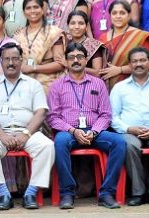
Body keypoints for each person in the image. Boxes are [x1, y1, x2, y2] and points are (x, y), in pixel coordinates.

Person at [47, 42, 124, 209]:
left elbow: (105, 115)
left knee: (119, 142)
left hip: (94, 131)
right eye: (72, 57)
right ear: (66, 62)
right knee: (59, 143)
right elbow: (53, 118)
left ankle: (106, 193)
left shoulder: (98, 84)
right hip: (69, 131)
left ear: (85, 60)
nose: (76, 60)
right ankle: (67, 193)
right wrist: (73, 131)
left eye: (80, 57)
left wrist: (94, 132)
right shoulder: (56, 86)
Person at [0, 42, 54, 210]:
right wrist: (2, 136)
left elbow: (41, 112)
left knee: (47, 146)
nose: (10, 63)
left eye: (14, 59)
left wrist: (26, 133)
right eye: (6, 59)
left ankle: (31, 193)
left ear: (21, 61)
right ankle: (4, 193)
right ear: (1, 61)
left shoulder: (33, 84)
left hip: (27, 132)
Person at [110, 47, 149, 207]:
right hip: (130, 131)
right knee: (128, 145)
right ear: (130, 65)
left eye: (142, 60)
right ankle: (138, 192)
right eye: (135, 61)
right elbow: (112, 117)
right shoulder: (120, 88)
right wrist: (129, 129)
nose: (139, 64)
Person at [98, 0, 149, 90]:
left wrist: (120, 70)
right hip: (104, 88)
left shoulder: (140, 36)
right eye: (114, 13)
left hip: (133, 87)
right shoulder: (102, 38)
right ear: (110, 16)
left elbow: (146, 65)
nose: (118, 16)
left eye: (122, 13)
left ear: (129, 16)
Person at [13, 0, 65, 90]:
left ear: (42, 10)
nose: (32, 11)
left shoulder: (53, 32)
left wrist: (33, 68)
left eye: (36, 7)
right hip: (22, 86)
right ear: (24, 12)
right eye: (28, 8)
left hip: (47, 86)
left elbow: (60, 64)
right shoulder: (18, 36)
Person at [66, 11, 104, 76]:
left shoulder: (94, 45)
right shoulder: (64, 43)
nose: (77, 27)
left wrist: (71, 66)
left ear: (86, 27)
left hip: (88, 84)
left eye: (81, 23)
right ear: (68, 26)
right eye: (73, 23)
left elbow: (98, 73)